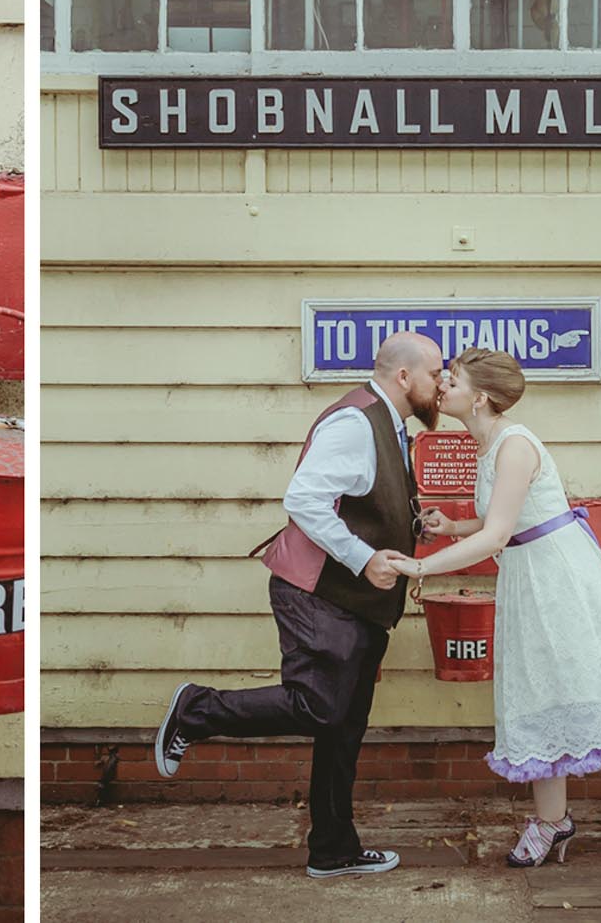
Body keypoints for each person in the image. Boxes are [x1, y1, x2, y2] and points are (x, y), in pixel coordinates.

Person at [379, 348, 601, 867]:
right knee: (540, 694)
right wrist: (452, 527)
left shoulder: (514, 445)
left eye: (453, 381)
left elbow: (496, 534)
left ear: (482, 397)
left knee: (581, 677)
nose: (443, 387)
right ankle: (553, 823)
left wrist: (422, 566)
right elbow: (504, 519)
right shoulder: (488, 442)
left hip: (558, 575)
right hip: (529, 575)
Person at [152, 330, 442, 879]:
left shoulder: (388, 423)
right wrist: (363, 558)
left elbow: (360, 498)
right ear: (404, 377)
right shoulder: (355, 421)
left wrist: (411, 520)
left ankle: (333, 851)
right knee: (319, 706)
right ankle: (194, 709)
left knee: (343, 728)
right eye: (434, 373)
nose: (440, 383)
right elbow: (303, 498)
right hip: (319, 592)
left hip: (357, 603)